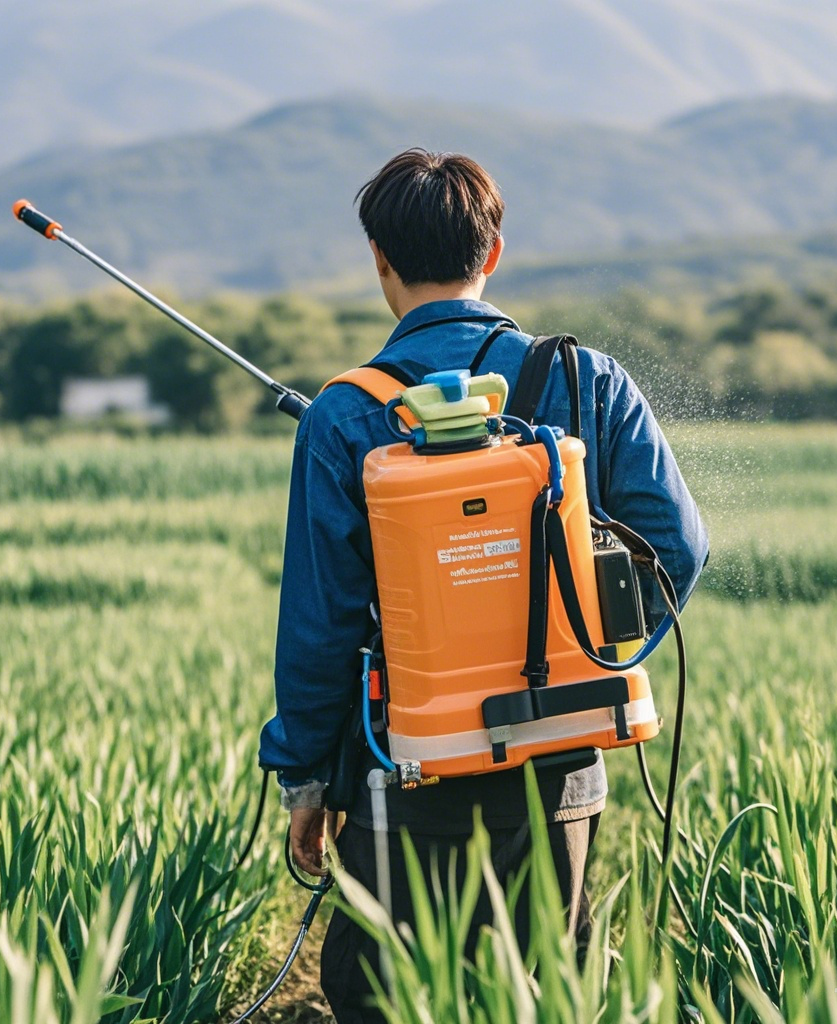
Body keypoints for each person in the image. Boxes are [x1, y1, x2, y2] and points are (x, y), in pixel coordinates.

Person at [259, 148, 709, 1022]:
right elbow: (678, 547)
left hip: (403, 773)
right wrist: (594, 646)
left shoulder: (344, 416)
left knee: (384, 997)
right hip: (560, 763)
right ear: (492, 252)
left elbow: (321, 626)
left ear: (379, 260)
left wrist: (306, 781)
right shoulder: (588, 380)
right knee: (539, 996)